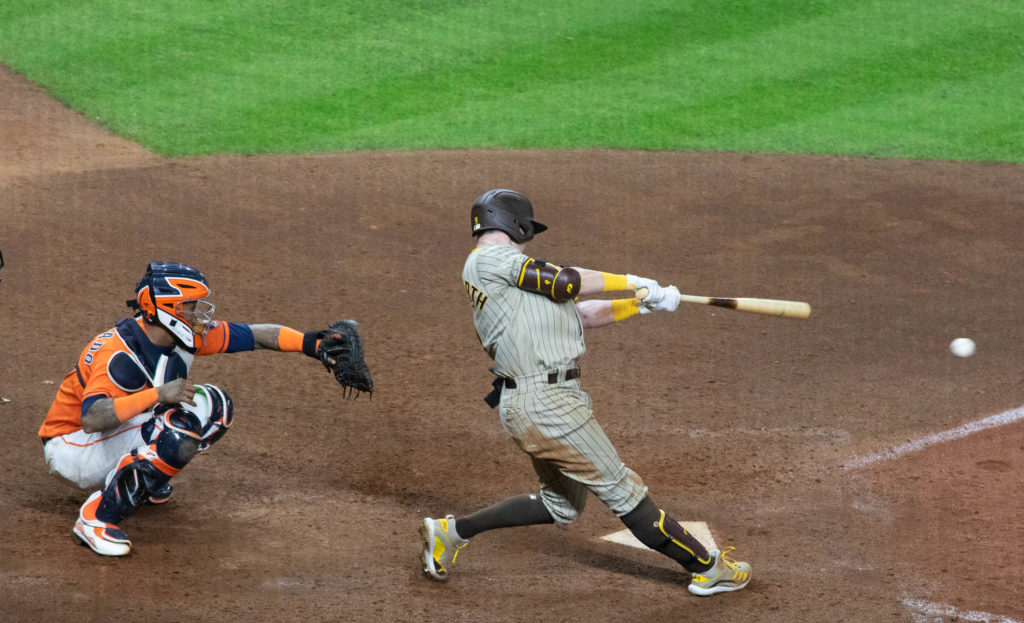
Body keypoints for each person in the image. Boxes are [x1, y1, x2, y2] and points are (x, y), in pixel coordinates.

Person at [420, 189, 750, 596]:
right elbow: (566, 282)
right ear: (514, 224)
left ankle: (452, 533)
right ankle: (706, 567)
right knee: (622, 488)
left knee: (561, 505)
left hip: (536, 401)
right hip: (546, 404)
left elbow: (578, 312)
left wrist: (640, 303)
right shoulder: (490, 259)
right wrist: (633, 279)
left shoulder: (510, 276)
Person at [39, 261, 371, 557]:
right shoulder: (120, 357)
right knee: (176, 430)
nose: (198, 315)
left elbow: (255, 336)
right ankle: (96, 519)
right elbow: (92, 418)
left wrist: (311, 344)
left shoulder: (179, 335)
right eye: (189, 307)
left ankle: (143, 484)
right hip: (72, 448)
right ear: (165, 309)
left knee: (213, 407)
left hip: (108, 433)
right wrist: (158, 395)